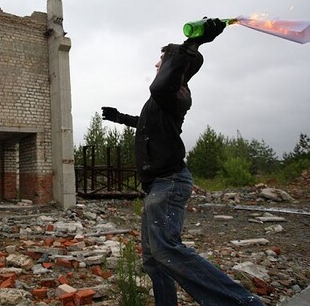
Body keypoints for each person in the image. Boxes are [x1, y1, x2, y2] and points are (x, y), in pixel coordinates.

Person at [102, 18, 265, 306]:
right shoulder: (164, 100)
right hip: (157, 185)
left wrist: (190, 46)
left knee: (167, 251)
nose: (156, 65)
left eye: (160, 60)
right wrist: (120, 118)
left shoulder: (176, 93)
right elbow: (146, 124)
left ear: (172, 66)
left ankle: (244, 303)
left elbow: (162, 85)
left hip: (169, 182)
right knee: (154, 259)